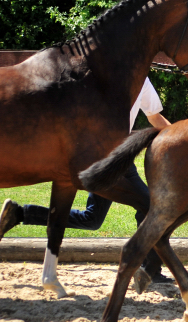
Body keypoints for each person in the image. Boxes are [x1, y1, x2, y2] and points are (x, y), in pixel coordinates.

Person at [0, 77, 174, 285]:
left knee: (92, 219)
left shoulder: (140, 80)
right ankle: (149, 269)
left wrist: (181, 139)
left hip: (117, 156)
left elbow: (155, 117)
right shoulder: (103, 72)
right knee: (150, 205)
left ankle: (20, 213)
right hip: (107, 156)